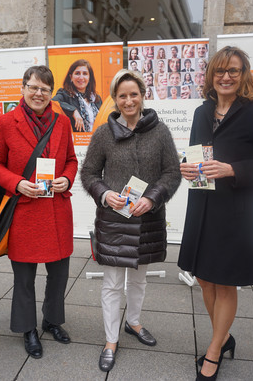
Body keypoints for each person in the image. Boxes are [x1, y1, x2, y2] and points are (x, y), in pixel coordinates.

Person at [177, 46, 253, 381]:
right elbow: (193, 154)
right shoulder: (201, 112)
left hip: (236, 209)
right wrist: (185, 168)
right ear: (211, 75)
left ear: (243, 73)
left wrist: (233, 169)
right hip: (203, 204)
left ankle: (213, 350)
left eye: (233, 71)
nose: (225, 77)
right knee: (204, 277)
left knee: (224, 282)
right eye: (220, 71)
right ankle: (223, 337)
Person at [81, 69, 181, 372]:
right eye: (122, 95)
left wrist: (152, 197)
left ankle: (134, 323)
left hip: (147, 219)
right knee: (112, 283)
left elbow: (172, 173)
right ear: (115, 98)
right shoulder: (103, 134)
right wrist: (104, 194)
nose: (128, 100)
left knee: (139, 279)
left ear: (142, 95)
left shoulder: (160, 132)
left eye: (133, 94)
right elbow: (88, 174)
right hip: (114, 220)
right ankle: (111, 340)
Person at [0, 65, 78, 359]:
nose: (39, 93)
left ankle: (52, 321)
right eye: (34, 87)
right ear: (23, 89)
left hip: (56, 209)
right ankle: (28, 328)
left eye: (45, 89)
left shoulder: (62, 123)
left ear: (52, 93)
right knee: (24, 277)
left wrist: (67, 177)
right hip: (24, 211)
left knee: (59, 273)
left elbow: (72, 160)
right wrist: (18, 183)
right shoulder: (5, 122)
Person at [53, 59, 103, 132]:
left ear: (89, 78)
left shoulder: (96, 98)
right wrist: (73, 111)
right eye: (77, 73)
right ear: (71, 77)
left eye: (85, 74)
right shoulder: (64, 94)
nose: (81, 77)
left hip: (96, 141)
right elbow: (53, 102)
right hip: (76, 141)